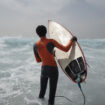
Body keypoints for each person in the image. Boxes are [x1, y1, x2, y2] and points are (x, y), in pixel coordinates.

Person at [33, 25, 77, 105]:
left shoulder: (35, 45)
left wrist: (48, 54)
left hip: (43, 69)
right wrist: (72, 40)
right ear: (46, 32)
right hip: (53, 69)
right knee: (51, 95)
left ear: (37, 34)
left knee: (42, 92)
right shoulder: (51, 41)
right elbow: (66, 49)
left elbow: (38, 60)